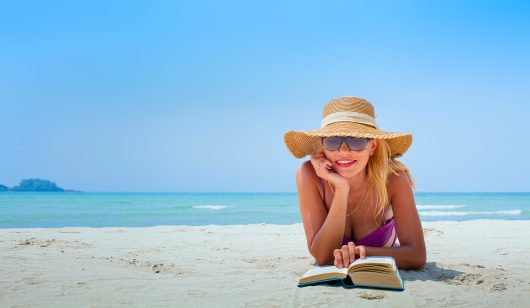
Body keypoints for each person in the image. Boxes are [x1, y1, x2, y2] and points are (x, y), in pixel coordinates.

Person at [284, 96, 426, 270]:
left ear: (372, 146)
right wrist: (342, 188)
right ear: (322, 145)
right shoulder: (309, 175)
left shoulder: (395, 178)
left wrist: (361, 253)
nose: (343, 151)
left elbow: (417, 255)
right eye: (333, 140)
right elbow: (322, 256)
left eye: (356, 140)